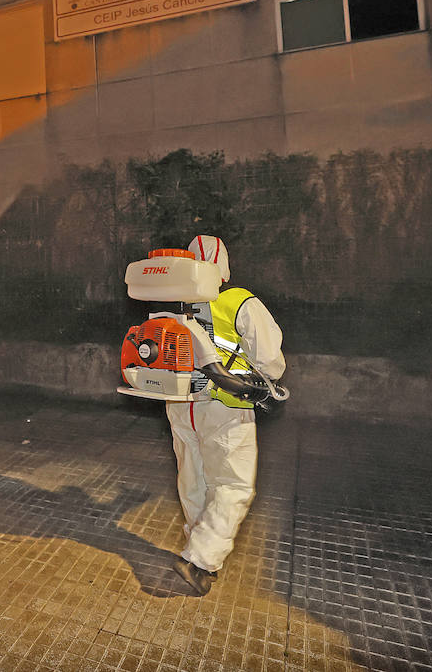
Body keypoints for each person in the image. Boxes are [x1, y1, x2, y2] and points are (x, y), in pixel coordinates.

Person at [167, 234, 286, 596]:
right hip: (226, 406)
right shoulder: (238, 301)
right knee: (233, 486)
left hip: (181, 405)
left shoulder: (176, 303)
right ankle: (199, 559)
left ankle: (201, 554)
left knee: (194, 481)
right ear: (223, 266)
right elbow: (270, 361)